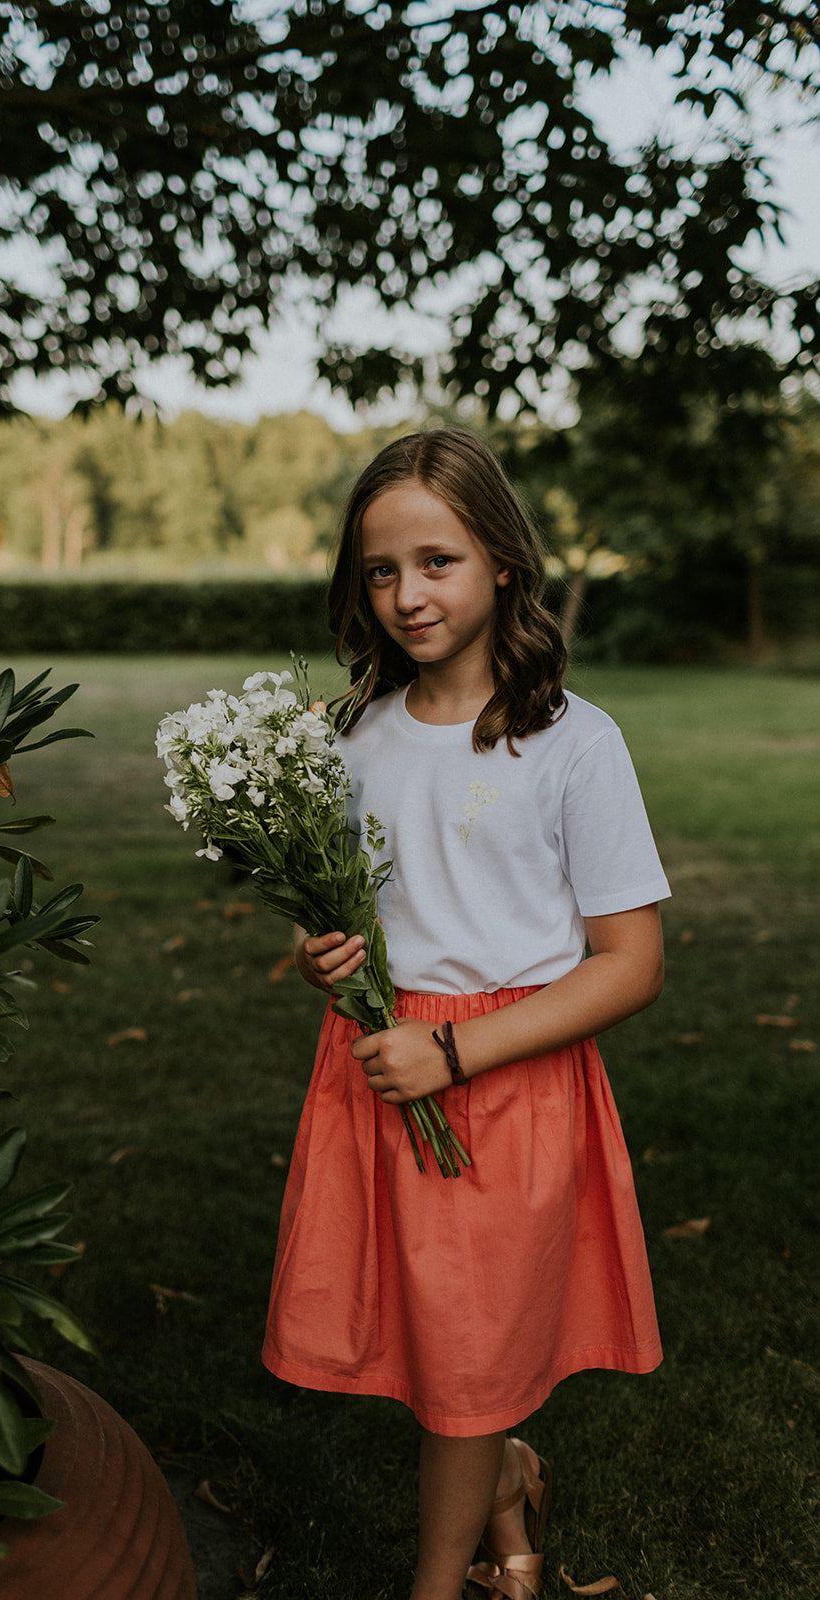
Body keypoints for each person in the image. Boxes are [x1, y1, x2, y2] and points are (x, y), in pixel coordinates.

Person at [261, 428, 670, 1600]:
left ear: (500, 559)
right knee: (440, 1344)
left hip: (502, 1080)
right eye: (379, 569)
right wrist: (318, 953)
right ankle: (511, 1500)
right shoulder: (352, 736)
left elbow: (629, 961)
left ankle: (436, 1586)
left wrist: (456, 1048)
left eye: (435, 560)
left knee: (465, 1359)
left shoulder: (572, 744)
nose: (405, 594)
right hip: (379, 1064)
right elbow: (342, 917)